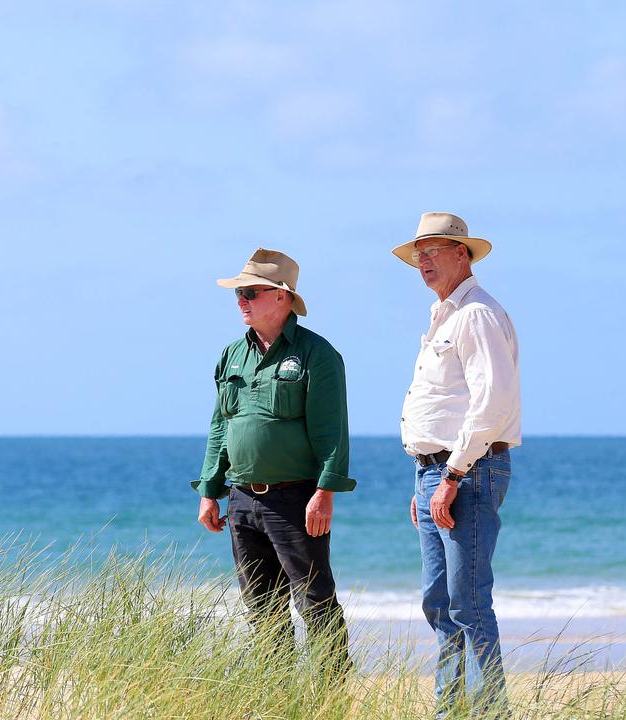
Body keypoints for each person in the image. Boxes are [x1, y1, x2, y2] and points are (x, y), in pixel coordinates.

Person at [193, 248, 356, 670]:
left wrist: (324, 492)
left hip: (296, 500)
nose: (242, 300)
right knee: (261, 610)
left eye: (251, 292)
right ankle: (279, 699)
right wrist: (210, 492)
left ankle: (330, 699)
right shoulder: (232, 355)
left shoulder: (316, 355)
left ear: (282, 297)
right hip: (242, 500)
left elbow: (332, 430)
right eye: (239, 294)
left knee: (315, 602)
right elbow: (220, 427)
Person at [394, 212, 521, 714]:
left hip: (465, 472)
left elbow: (491, 404)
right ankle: (452, 709)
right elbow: (444, 406)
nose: (422, 261)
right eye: (418, 253)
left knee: (467, 602)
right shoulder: (445, 314)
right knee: (440, 604)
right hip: (436, 473)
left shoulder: (478, 315)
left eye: (433, 250)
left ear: (462, 254)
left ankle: (488, 710)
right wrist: (425, 479)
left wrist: (450, 475)